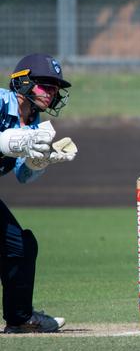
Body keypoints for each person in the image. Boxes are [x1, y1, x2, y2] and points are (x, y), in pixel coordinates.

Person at [0, 53, 77, 333]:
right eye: (45, 84)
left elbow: (22, 175)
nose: (52, 92)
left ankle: (20, 319)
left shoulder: (35, 123)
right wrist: (8, 140)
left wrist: (39, 162)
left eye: (55, 87)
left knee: (21, 246)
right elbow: (8, 143)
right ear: (22, 83)